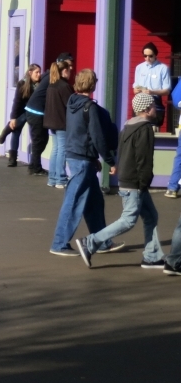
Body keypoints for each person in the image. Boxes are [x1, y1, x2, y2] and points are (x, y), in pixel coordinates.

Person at [76, 92, 164, 268]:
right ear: (146, 109)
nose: (156, 109)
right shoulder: (145, 129)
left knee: (151, 216)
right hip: (136, 182)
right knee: (128, 220)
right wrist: (144, 183)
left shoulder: (127, 127)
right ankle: (91, 241)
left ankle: (152, 256)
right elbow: (144, 159)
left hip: (128, 179)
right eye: (153, 106)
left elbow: (123, 154)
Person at [50, 68, 121, 256]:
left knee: (94, 203)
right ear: (93, 84)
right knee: (73, 202)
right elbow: (97, 137)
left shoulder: (72, 104)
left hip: (76, 156)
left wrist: (93, 159)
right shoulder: (91, 108)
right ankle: (59, 243)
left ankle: (102, 242)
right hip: (83, 160)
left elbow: (79, 134)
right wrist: (109, 160)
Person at [24, 52, 73, 177]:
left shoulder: (51, 76)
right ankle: (35, 167)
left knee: (43, 141)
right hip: (36, 111)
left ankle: (36, 166)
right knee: (39, 140)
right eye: (69, 65)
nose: (71, 68)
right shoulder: (52, 77)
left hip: (36, 110)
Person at [0, 63, 42, 167]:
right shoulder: (22, 84)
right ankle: (12, 159)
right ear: (30, 73)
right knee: (16, 130)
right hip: (22, 111)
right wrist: (13, 117)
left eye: (40, 72)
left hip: (33, 112)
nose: (39, 74)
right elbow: (17, 101)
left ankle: (6, 130)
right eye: (36, 72)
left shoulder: (40, 84)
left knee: (17, 125)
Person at [44, 57, 75, 189]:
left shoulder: (51, 85)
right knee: (62, 149)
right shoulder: (64, 86)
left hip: (51, 121)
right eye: (68, 70)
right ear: (64, 71)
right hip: (62, 122)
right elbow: (70, 105)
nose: (70, 72)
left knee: (56, 149)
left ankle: (52, 177)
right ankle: (60, 178)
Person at [134, 42, 170, 130]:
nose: (147, 58)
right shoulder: (139, 68)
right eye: (145, 56)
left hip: (155, 101)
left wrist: (152, 92)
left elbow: (167, 90)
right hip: (140, 100)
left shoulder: (163, 68)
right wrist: (136, 90)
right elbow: (134, 89)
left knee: (153, 129)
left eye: (150, 56)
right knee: (139, 127)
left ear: (155, 55)